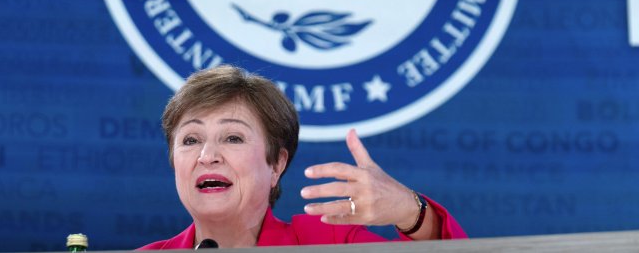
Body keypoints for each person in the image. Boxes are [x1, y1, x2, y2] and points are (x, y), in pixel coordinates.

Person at [139, 65, 466, 249]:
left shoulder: (328, 243)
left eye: (233, 137)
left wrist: (409, 210)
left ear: (277, 164)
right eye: (191, 140)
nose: (207, 156)